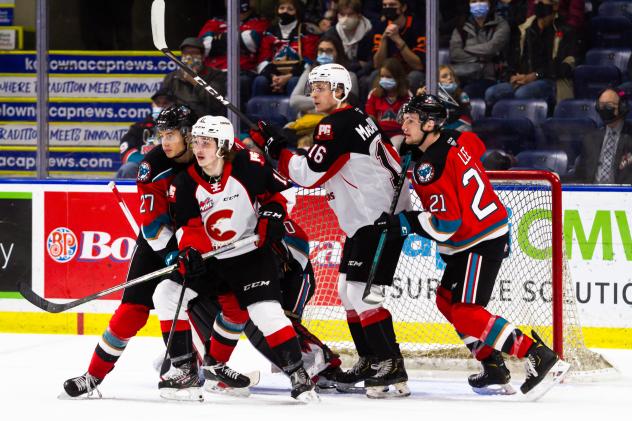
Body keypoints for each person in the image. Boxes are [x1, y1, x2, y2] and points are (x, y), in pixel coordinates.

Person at [374, 94, 570, 395]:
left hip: (478, 240)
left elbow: (445, 225)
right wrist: (424, 150)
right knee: (446, 301)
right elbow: (475, 147)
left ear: (430, 124)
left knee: (466, 311)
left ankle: (536, 354)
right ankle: (492, 365)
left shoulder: (428, 170)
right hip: (474, 236)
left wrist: (406, 222)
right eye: (405, 119)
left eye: (411, 121)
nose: (404, 125)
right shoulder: (455, 138)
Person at [260, 63, 412, 399]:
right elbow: (327, 164)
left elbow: (310, 173)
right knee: (347, 291)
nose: (314, 93)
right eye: (312, 87)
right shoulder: (353, 119)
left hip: (379, 221)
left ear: (340, 91)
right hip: (370, 221)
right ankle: (373, 359)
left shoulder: (335, 125)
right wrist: (283, 150)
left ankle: (390, 363)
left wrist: (279, 151)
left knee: (360, 294)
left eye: (322, 87)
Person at [159, 115, 319, 402]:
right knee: (166, 293)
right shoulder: (185, 182)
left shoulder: (248, 165)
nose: (198, 148)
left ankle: (298, 375)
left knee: (264, 313)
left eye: (206, 142)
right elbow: (189, 227)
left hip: (250, 255)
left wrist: (272, 215)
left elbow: (280, 196)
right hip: (213, 259)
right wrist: (190, 252)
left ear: (221, 145)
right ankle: (186, 370)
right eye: (196, 141)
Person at [62, 104, 197, 399]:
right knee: (131, 312)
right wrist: (171, 253)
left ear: (188, 133)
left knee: (209, 305)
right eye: (162, 134)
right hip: (160, 244)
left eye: (171, 134)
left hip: (202, 243)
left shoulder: (210, 155)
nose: (165, 141)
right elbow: (152, 226)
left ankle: (206, 366)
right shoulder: (154, 164)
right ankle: (93, 376)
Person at [484, 0, 576, 108]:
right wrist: (513, 76)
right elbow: (512, 59)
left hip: (551, 82)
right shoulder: (524, 29)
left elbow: (565, 67)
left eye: (542, 1)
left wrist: (536, 75)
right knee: (491, 93)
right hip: (523, 79)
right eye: (536, 1)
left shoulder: (565, 31)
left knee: (523, 94)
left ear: (555, 5)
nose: (538, 3)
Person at [197, 0, 269, 106]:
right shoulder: (214, 22)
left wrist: (218, 39)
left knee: (239, 83)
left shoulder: (259, 22)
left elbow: (251, 42)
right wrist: (239, 39)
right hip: (215, 72)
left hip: (243, 72)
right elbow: (204, 47)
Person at [253, 0, 319, 96]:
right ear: (277, 11)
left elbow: (309, 60)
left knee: (294, 81)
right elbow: (263, 58)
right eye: (282, 8)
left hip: (297, 73)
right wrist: (273, 77)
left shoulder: (306, 31)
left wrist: (288, 77)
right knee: (260, 81)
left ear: (297, 12)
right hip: (273, 73)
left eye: (290, 9)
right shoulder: (270, 31)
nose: (285, 11)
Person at [449, 0, 510, 99]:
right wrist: (480, 59)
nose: (478, 4)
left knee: (467, 92)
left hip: (491, 77)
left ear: (490, 3)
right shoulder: (461, 26)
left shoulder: (501, 25)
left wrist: (466, 48)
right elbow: (455, 53)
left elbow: (491, 48)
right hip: (464, 75)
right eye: (474, 1)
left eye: (482, 0)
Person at [572, 88, 632, 184]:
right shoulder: (590, 139)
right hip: (592, 194)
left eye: (609, 105)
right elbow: (579, 177)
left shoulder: (629, 137)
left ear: (622, 107)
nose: (604, 109)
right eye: (601, 105)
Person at [290, 34, 359, 117]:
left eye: (329, 51)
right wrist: (324, 100)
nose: (324, 54)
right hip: (305, 123)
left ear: (338, 53)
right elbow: (294, 101)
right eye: (321, 50)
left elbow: (344, 105)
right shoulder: (309, 72)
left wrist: (309, 104)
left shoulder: (349, 77)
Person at [117, 87, 176, 179]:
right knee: (128, 169)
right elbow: (126, 151)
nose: (161, 107)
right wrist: (147, 162)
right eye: (158, 103)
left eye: (165, 104)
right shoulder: (139, 127)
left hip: (169, 166)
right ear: (152, 105)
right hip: (142, 165)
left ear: (173, 105)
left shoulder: (179, 127)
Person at [161, 37, 228, 118]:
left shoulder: (216, 75)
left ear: (202, 57)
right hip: (180, 121)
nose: (189, 57)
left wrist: (195, 81)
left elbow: (215, 102)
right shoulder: (172, 77)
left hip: (207, 120)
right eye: (185, 53)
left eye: (193, 53)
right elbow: (162, 101)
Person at [370, 0, 426, 93]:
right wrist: (384, 39)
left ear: (403, 7)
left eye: (392, 5)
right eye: (385, 5)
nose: (388, 8)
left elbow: (418, 65)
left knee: (416, 76)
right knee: (374, 75)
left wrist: (398, 40)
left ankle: (411, 107)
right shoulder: (379, 26)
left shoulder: (418, 26)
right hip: (388, 72)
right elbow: (377, 65)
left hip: (409, 71)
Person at [365, 57, 412, 150]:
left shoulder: (407, 96)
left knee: (395, 145)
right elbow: (370, 117)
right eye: (382, 76)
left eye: (389, 77)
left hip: (398, 134)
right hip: (378, 133)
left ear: (398, 78)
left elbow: (409, 120)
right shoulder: (374, 94)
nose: (384, 79)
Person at [324, 0, 373, 76]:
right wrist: (357, 64)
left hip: (362, 75)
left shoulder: (370, 32)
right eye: (342, 15)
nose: (345, 18)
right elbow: (331, 62)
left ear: (359, 16)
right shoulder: (332, 34)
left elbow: (370, 63)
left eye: (350, 15)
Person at [418, 65, 473, 132]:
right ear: (436, 81)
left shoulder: (461, 95)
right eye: (444, 76)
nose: (450, 78)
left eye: (451, 75)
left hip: (459, 127)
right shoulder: (430, 95)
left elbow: (467, 117)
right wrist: (419, 97)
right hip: (439, 129)